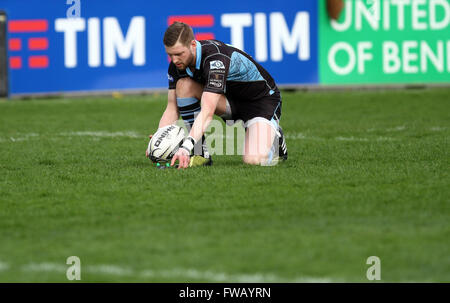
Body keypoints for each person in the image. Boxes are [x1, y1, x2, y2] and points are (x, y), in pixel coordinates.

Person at [149, 21, 287, 169]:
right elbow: (172, 108)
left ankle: (276, 141)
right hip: (230, 100)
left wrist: (185, 147)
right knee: (184, 86)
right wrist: (159, 139)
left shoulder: (215, 59)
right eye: (170, 55)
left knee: (253, 161)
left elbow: (207, 111)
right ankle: (200, 153)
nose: (174, 60)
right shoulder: (177, 65)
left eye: (179, 54)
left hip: (260, 103)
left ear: (193, 45)